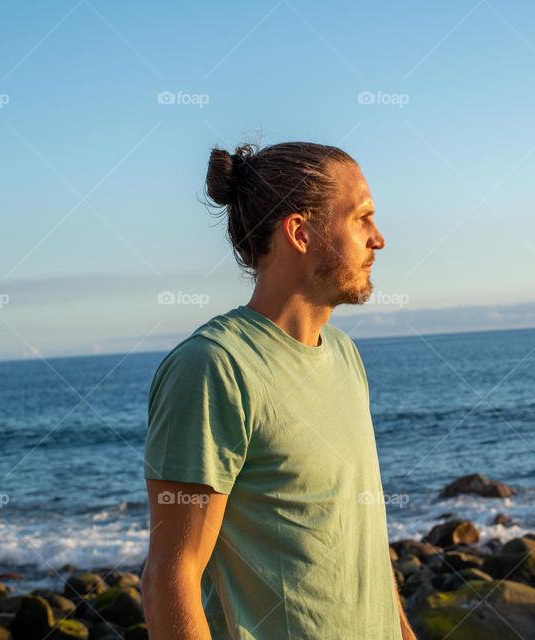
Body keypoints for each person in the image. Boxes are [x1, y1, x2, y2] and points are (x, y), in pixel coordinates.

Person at [141, 141, 415, 639]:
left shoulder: (345, 355)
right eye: (361, 218)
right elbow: (170, 579)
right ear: (300, 232)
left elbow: (357, 539)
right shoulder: (215, 367)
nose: (379, 239)